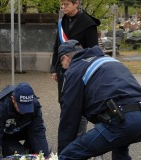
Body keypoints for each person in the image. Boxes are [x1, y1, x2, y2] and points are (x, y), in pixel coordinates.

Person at [57, 40, 141, 160]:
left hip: (122, 121)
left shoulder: (75, 69)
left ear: (66, 58)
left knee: (69, 155)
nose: (62, 67)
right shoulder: (108, 60)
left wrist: (62, 151)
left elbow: (69, 115)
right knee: (120, 152)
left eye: (61, 63)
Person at [51, 0, 100, 138]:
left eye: (66, 4)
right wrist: (54, 68)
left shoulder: (88, 23)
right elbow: (57, 47)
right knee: (65, 102)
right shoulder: (62, 23)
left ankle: (79, 139)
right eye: (62, 4)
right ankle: (67, 137)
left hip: (80, 70)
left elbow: (93, 50)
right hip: (64, 69)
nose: (63, 7)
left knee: (79, 104)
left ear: (76, 3)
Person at [0, 82, 49, 160]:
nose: (24, 111)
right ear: (13, 99)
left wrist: (44, 157)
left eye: (27, 107)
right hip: (2, 133)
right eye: (21, 106)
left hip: (20, 128)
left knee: (34, 152)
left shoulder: (35, 105)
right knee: (17, 153)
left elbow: (38, 132)